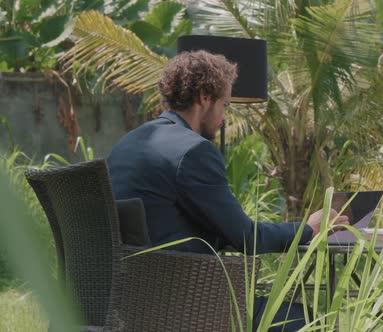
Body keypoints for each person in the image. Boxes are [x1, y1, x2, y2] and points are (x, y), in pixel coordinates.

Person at [107, 50, 348, 331]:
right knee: (304, 319)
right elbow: (248, 238)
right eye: (225, 104)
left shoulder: (128, 144)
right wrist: (309, 228)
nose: (224, 117)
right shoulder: (193, 151)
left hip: (125, 301)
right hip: (181, 304)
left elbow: (161, 223)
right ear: (205, 97)